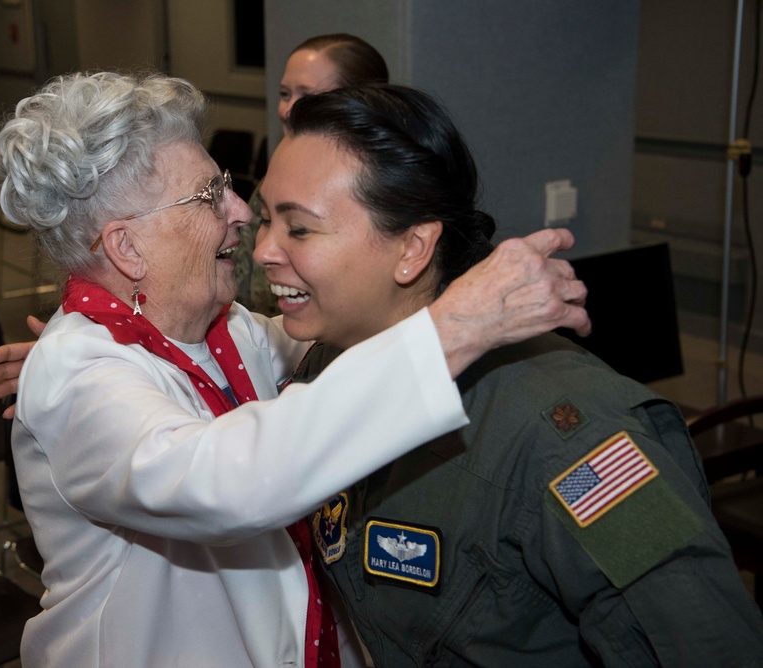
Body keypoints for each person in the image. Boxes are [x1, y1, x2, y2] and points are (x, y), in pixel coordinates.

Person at [0, 70, 589, 667]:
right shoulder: (81, 376)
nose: (241, 213)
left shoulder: (225, 329)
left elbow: (345, 352)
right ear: (127, 247)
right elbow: (230, 478)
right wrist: (460, 323)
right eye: (210, 195)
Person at [260, 84, 763, 666]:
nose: (265, 249)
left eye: (298, 229)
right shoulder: (328, 365)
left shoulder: (573, 437)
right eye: (267, 216)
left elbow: (707, 643)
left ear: (413, 248)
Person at [237, 33, 390, 315]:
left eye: (307, 97)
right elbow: (244, 287)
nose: (288, 109)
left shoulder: (379, 189)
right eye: (285, 94)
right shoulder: (270, 185)